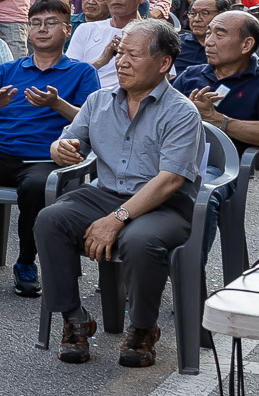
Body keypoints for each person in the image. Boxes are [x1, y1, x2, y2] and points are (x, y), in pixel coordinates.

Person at [36, 19, 205, 367]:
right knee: (51, 219)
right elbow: (69, 140)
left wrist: (117, 219)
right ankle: (74, 318)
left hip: (163, 204)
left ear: (163, 63)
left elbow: (171, 179)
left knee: (139, 241)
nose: (121, 62)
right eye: (119, 53)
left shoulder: (181, 112)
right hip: (106, 192)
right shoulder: (99, 101)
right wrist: (61, 148)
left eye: (133, 55)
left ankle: (143, 328)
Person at [0, 0, 102, 295]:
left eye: (50, 23)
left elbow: (91, 120)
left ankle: (26, 262)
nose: (41, 29)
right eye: (35, 23)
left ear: (67, 30)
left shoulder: (82, 72)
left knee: (35, 189)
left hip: (45, 156)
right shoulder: (9, 69)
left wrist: (56, 103)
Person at [172, 8, 259, 269]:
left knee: (202, 194)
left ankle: (187, 278)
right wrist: (185, 114)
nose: (208, 40)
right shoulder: (192, 75)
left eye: (219, 34)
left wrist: (218, 121)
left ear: (247, 44)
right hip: (174, 159)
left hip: (222, 168)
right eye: (208, 32)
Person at [69, 0, 149, 89]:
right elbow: (68, 76)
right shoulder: (86, 29)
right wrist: (101, 61)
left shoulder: (153, 35)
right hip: (85, 101)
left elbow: (159, 82)